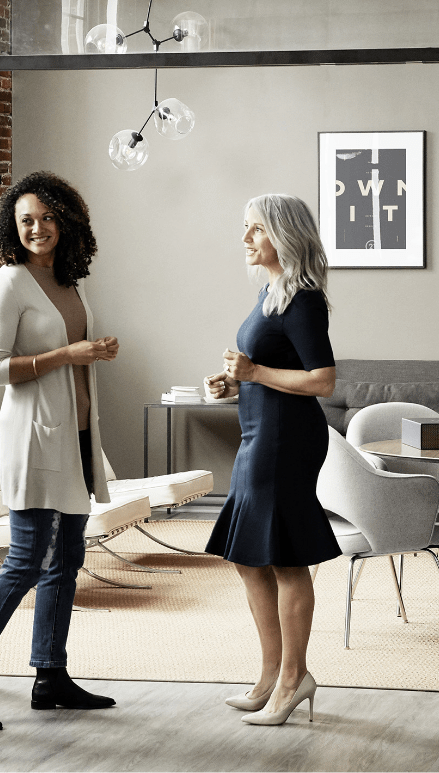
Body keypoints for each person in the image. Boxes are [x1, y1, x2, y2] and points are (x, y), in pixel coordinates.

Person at [0, 171, 119, 729]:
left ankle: (50, 675)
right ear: (12, 230)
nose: (37, 228)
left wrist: (91, 353)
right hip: (35, 436)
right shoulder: (8, 283)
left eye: (45, 217)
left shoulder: (67, 281)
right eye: (25, 220)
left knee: (68, 560)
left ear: (66, 219)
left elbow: (72, 352)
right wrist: (70, 354)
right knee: (25, 561)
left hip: (76, 436)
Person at [204, 194, 341, 726]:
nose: (245, 239)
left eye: (254, 229)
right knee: (247, 556)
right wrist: (232, 382)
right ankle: (270, 674)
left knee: (283, 557)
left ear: (282, 235)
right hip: (259, 433)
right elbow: (260, 367)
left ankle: (293, 678)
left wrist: (255, 374)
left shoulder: (303, 298)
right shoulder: (270, 292)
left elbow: (323, 381)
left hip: (285, 440)